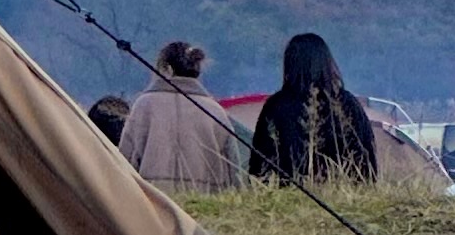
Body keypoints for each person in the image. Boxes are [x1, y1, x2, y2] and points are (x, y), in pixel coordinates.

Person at [249, 32, 377, 185]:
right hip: (345, 194)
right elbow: (366, 159)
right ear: (326, 62)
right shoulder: (348, 104)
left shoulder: (276, 107)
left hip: (288, 197)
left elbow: (259, 163)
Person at [117, 40, 243, 192]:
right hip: (206, 205)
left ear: (167, 69)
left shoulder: (144, 105)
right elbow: (234, 171)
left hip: (153, 201)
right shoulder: (215, 111)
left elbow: (124, 162)